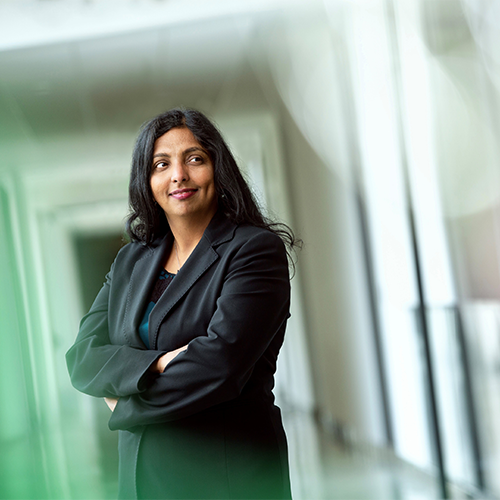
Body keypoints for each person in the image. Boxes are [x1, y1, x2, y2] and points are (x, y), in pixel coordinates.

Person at [66, 107, 300, 500]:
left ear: (218, 170)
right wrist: (157, 363)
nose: (179, 175)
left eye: (194, 159)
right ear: (148, 180)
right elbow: (83, 358)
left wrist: (124, 405)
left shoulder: (253, 251)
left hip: (225, 477)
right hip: (142, 481)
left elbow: (219, 367)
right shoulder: (132, 261)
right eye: (161, 163)